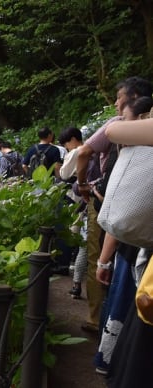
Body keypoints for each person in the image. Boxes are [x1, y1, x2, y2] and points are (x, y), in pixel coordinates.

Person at [76, 76, 152, 333]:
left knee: (106, 264)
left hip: (116, 211)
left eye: (120, 98)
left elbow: (89, 148)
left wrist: (82, 183)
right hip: (134, 219)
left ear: (134, 99)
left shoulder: (121, 126)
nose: (117, 104)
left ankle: (98, 322)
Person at [58, 126, 87, 299]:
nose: (66, 146)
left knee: (76, 235)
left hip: (76, 198)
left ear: (73, 139)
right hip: (88, 197)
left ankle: (75, 280)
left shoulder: (76, 152)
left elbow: (64, 173)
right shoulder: (91, 148)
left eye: (66, 143)